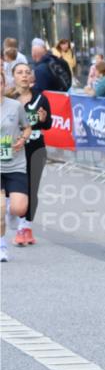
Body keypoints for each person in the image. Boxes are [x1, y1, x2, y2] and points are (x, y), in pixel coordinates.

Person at [9, 62, 52, 247]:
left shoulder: (41, 99)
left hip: (35, 147)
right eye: (20, 72)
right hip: (13, 147)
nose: (24, 76)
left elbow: (48, 124)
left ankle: (24, 227)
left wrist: (43, 120)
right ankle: (14, 217)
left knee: (31, 187)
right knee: (13, 188)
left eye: (27, 72)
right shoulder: (7, 98)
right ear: (14, 76)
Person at [0, 72, 33, 262]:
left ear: (4, 84)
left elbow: (27, 127)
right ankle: (2, 246)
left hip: (16, 163)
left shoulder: (15, 106)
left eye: (0, 83)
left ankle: (13, 211)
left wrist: (22, 139)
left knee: (20, 209)